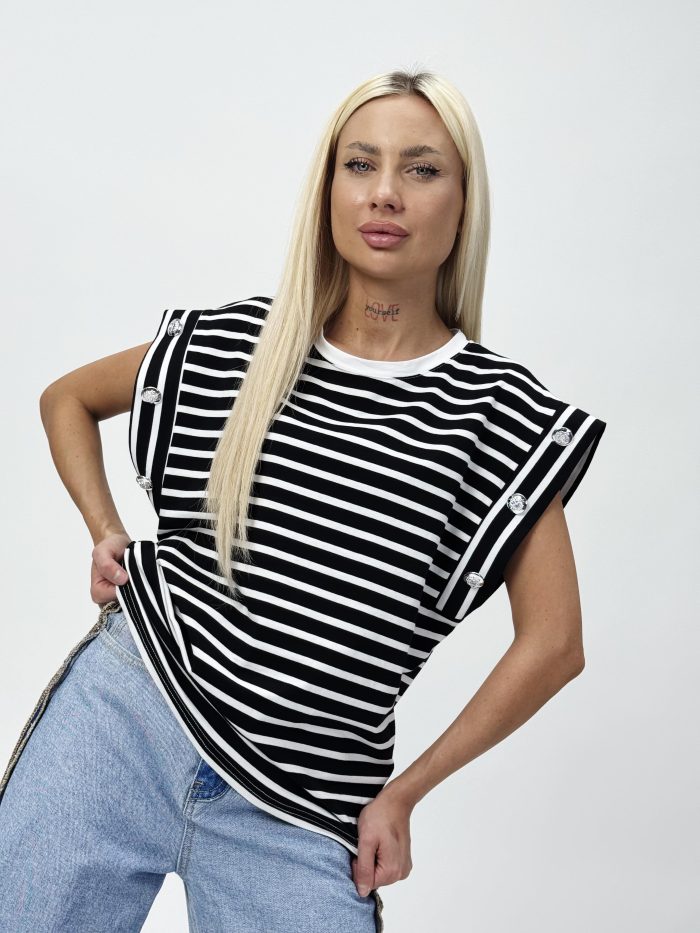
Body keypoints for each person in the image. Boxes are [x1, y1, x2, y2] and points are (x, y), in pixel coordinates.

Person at [0, 68, 607, 931]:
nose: (385, 192)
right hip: (123, 721)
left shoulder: (498, 414)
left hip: (303, 802)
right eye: (360, 164)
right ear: (328, 192)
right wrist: (105, 529)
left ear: (465, 203)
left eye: (422, 169)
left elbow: (554, 643)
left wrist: (406, 792)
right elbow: (66, 397)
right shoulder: (239, 342)